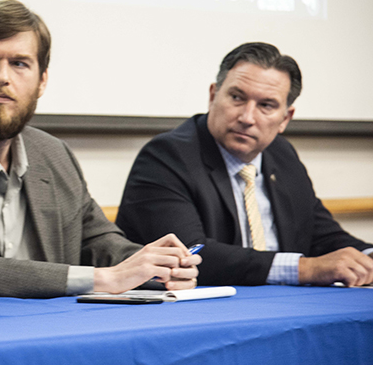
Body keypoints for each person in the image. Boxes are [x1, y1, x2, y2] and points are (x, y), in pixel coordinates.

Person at [0, 0, 200, 304]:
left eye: (19, 63)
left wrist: (155, 267)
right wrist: (104, 279)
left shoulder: (53, 153)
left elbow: (98, 241)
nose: (2, 77)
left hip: (44, 329)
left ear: (42, 81)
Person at [116, 42, 373, 287]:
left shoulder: (281, 155)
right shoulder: (167, 156)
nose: (247, 117)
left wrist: (367, 258)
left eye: (266, 105)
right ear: (213, 95)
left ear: (285, 118)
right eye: (237, 97)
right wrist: (304, 269)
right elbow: (190, 255)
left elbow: (321, 235)